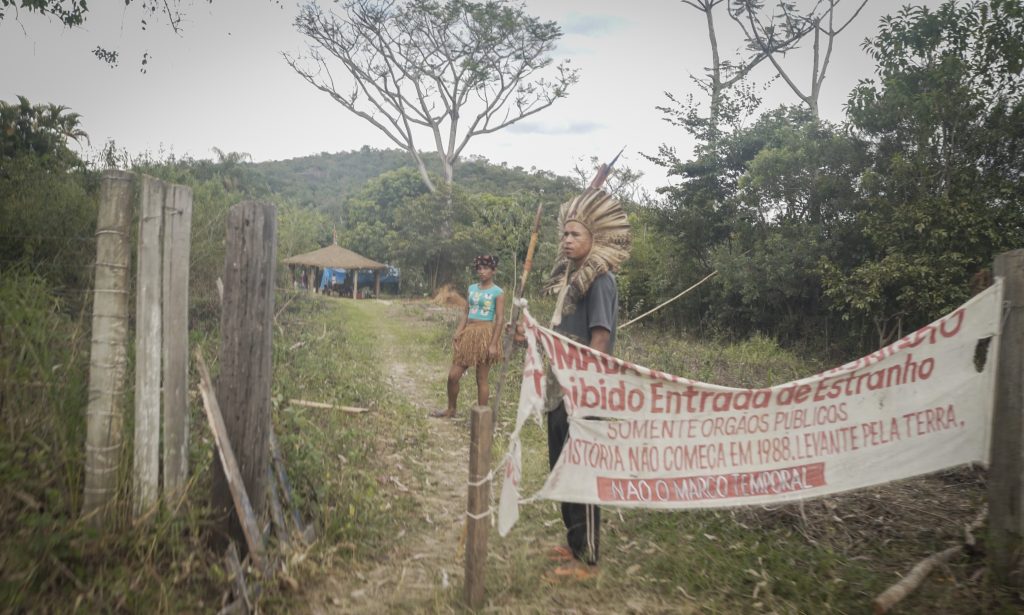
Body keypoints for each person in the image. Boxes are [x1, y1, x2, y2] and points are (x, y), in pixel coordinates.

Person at [528, 187, 631, 578]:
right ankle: (574, 543)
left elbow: (599, 338)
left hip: (583, 394)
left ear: (594, 238)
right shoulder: (571, 278)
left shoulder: (600, 280)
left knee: (583, 471)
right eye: (565, 234)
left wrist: (582, 392)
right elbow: (561, 333)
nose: (567, 240)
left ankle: (588, 557)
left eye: (575, 234)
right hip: (560, 390)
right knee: (563, 467)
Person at [431, 255, 505, 418]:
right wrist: (458, 331)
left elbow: (500, 319)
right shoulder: (472, 289)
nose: (482, 271)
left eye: (486, 268)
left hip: (485, 334)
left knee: (481, 378)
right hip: (469, 333)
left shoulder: (498, 292)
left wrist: (493, 344)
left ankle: (482, 418)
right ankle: (451, 409)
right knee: (453, 376)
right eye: (479, 268)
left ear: (493, 271)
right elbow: (466, 312)